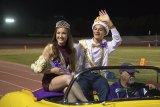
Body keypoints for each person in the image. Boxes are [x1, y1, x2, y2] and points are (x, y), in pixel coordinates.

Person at [31, 20, 88, 103]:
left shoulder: (72, 50)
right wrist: (52, 70)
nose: (60, 36)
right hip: (50, 82)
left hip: (64, 80)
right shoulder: (50, 48)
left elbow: (72, 69)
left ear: (68, 35)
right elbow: (38, 69)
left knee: (70, 94)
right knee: (69, 79)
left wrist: (72, 73)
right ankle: (87, 102)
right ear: (55, 35)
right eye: (58, 33)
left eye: (63, 33)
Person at [75, 10, 122, 102]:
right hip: (83, 75)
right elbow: (73, 57)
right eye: (95, 29)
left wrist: (110, 23)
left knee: (105, 88)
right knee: (81, 90)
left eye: (101, 29)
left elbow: (118, 40)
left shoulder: (107, 46)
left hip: (98, 76)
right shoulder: (83, 44)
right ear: (92, 30)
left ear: (105, 33)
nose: (97, 31)